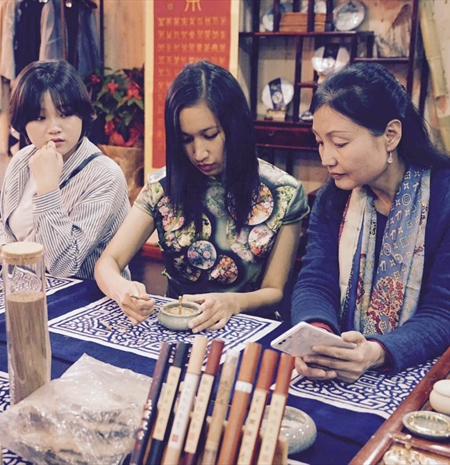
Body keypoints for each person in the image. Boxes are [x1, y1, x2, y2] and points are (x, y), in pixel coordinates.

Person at [94, 60, 309, 332]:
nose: (199, 153)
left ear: (235, 127)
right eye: (186, 139)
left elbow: (274, 291)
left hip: (248, 331)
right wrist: (122, 289)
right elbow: (107, 263)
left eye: (210, 135)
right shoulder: (163, 188)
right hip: (179, 329)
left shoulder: (284, 193)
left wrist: (232, 303)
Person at [291, 62, 450, 383]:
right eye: (320, 142)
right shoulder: (334, 197)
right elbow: (316, 279)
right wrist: (317, 339)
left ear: (390, 135)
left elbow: (446, 312)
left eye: (340, 143)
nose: (326, 158)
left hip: (420, 371)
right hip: (343, 363)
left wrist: (375, 353)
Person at [0, 60, 130, 279]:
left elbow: (63, 265)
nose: (54, 128)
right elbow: (7, 227)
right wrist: (2, 250)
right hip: (25, 288)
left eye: (65, 114)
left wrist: (48, 189)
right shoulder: (21, 161)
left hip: (85, 294)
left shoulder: (105, 175)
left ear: (81, 114)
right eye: (40, 117)